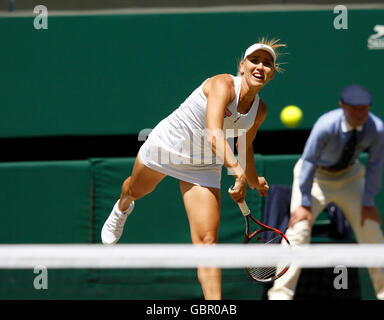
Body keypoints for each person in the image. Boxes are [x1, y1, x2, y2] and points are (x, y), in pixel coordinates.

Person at [101, 39, 285, 300]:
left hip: (204, 165)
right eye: (254, 61)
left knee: (207, 242)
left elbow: (245, 145)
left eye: (267, 64)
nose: (260, 67)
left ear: (272, 74)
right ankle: (122, 206)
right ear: (242, 66)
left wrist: (253, 180)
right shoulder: (222, 84)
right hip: (168, 145)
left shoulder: (260, 110)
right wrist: (238, 173)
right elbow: (214, 134)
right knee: (135, 189)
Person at [268, 84, 384, 300]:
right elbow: (308, 162)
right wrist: (303, 202)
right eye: (354, 108)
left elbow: (376, 165)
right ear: (342, 106)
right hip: (315, 179)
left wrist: (368, 202)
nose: (360, 114)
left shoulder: (376, 129)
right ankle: (280, 295)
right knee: (298, 230)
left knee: (371, 231)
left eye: (364, 108)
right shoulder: (326, 125)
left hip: (350, 178)